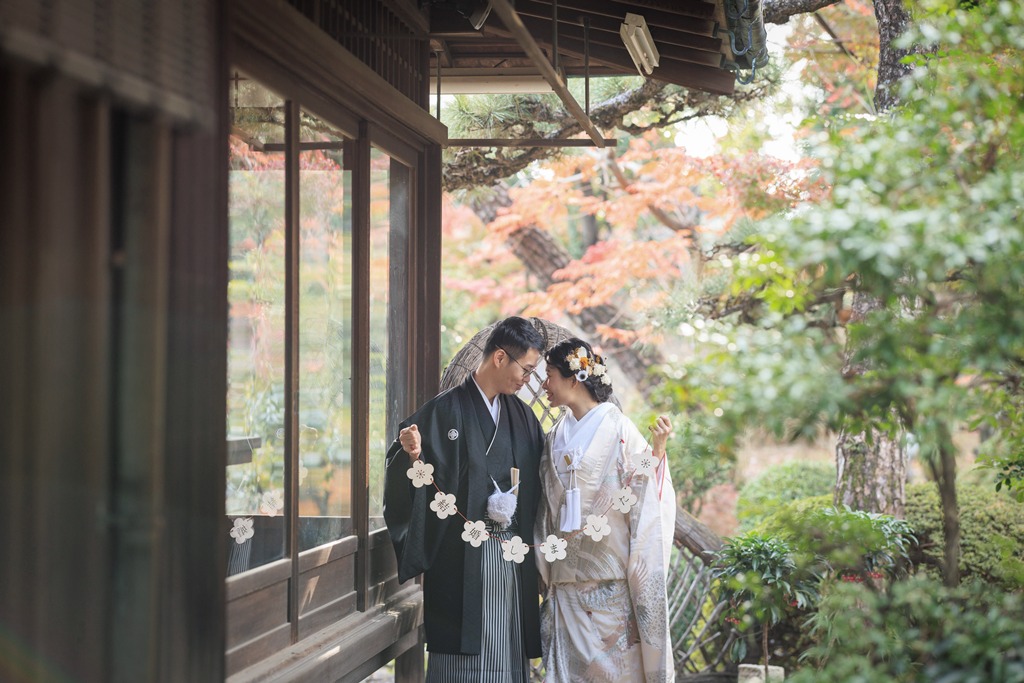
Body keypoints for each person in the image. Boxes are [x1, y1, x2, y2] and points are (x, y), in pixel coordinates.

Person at [383, 316, 547, 682]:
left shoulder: (522, 416)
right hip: (460, 560)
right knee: (462, 659)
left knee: (507, 648)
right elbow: (407, 466)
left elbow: (545, 480)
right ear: (501, 358)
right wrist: (411, 455)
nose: (528, 379)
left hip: (511, 558)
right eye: (526, 368)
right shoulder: (445, 410)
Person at [535, 338, 676, 683]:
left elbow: (645, 494)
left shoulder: (621, 431)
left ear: (574, 379)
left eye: (549, 374)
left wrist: (657, 453)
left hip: (609, 596)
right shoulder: (554, 436)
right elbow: (543, 512)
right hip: (564, 589)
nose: (543, 384)